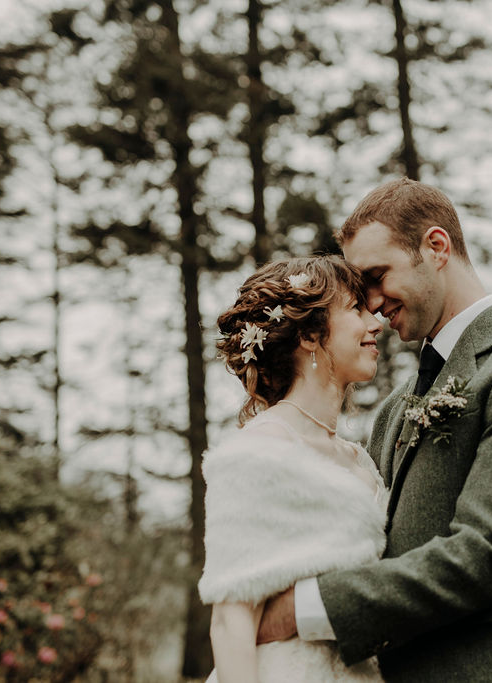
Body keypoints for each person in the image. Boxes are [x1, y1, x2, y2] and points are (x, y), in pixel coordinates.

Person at [257, 178, 492, 682]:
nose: (370, 303)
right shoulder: (395, 407)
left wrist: (307, 608)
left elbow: (487, 554)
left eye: (376, 275)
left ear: (436, 247)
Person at [200, 255, 387, 682]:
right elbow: (231, 620)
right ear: (308, 335)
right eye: (355, 309)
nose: (376, 323)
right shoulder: (259, 452)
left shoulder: (358, 458)